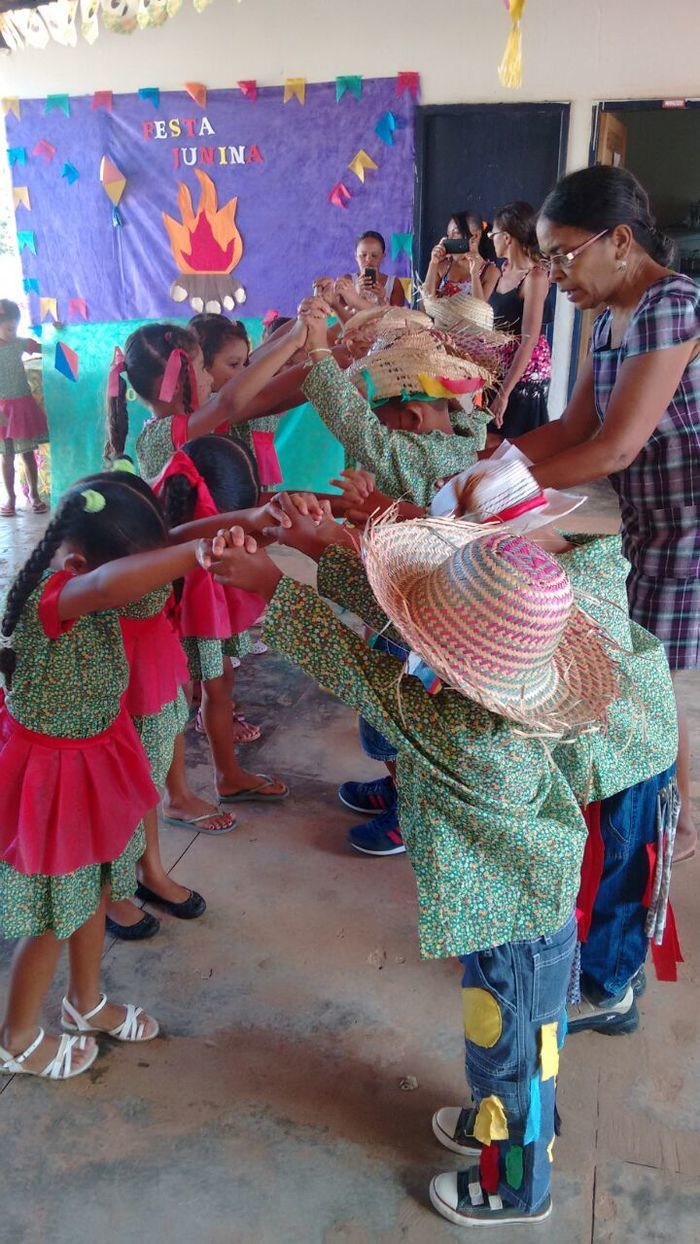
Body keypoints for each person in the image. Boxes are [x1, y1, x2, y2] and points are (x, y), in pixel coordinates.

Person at [210, 499, 622, 1226]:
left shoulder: (453, 727)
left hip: (516, 928)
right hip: (519, 914)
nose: (418, 639)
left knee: (514, 1053)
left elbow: (360, 663)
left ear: (461, 665)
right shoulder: (498, 703)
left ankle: (518, 1189)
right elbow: (402, 647)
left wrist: (273, 583)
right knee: (518, 1042)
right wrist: (324, 552)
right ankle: (510, 1121)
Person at [469, 165, 699, 861]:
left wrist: (498, 495)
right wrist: (486, 467)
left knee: (645, 668)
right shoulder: (606, 321)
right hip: (654, 516)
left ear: (620, 241)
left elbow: (614, 447)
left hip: (689, 519)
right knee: (644, 661)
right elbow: (571, 428)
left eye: (563, 254)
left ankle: (673, 815)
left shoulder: (671, 303)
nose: (554, 272)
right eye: (545, 258)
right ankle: (669, 803)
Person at [0, 474, 221, 1079]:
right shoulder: (57, 598)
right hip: (56, 778)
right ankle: (17, 1038)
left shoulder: (106, 579)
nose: (155, 576)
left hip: (97, 759)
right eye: (146, 562)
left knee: (98, 884)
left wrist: (240, 526)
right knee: (53, 915)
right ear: (78, 563)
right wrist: (191, 555)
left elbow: (155, 551)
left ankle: (85, 1002)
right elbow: (106, 583)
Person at [154, 435, 288, 806]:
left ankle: (227, 776)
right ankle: (177, 796)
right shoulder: (160, 531)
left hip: (207, 618)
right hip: (175, 623)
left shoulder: (195, 509)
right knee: (173, 708)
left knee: (221, 686)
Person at [105, 318, 308, 482]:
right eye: (202, 368)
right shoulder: (156, 438)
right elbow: (228, 402)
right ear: (176, 385)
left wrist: (307, 323)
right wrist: (293, 342)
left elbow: (260, 371)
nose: (209, 378)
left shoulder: (198, 417)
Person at [485, 202, 554, 438]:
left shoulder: (534, 277)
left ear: (506, 237)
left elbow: (529, 340)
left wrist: (504, 394)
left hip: (524, 375)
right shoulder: (500, 271)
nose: (490, 239)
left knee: (517, 447)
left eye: (492, 234)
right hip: (499, 372)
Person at [0, 299, 49, 517]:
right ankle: (11, 497)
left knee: (28, 453)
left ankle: (34, 495)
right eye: (9, 328)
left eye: (15, 328)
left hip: (21, 406)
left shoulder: (19, 343)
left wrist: (54, 331)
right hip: (1, 411)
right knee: (6, 456)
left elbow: (44, 347)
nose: (13, 332)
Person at [423, 210, 499, 300]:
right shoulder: (443, 266)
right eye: (448, 235)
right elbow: (424, 304)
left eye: (456, 233)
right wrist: (433, 264)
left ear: (476, 236)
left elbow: (479, 311)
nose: (450, 240)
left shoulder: (490, 272)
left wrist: (474, 274)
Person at [333, 231, 407, 318]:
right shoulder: (347, 282)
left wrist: (382, 299)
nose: (368, 260)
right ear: (356, 256)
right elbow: (340, 319)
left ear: (383, 257)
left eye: (374, 255)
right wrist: (355, 294)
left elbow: (397, 320)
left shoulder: (394, 284)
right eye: (363, 255)